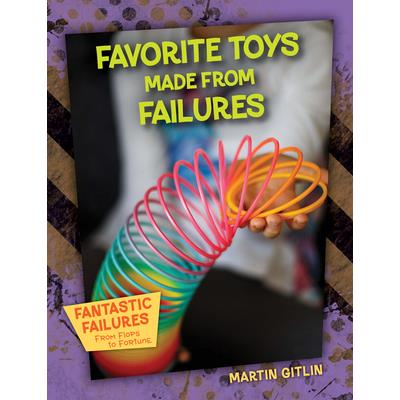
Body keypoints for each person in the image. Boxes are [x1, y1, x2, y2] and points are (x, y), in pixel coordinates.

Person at [93, 20, 332, 299]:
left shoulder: (311, 42)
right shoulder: (139, 40)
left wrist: (266, 187)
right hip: (145, 240)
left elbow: (279, 167)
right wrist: (151, 273)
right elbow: (142, 187)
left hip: (251, 265)